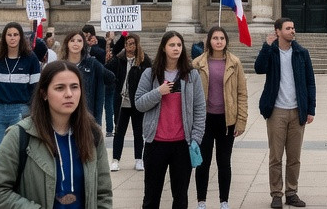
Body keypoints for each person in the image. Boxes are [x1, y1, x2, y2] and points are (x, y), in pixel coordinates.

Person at [0, 60, 114, 209]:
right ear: (44, 93)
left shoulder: (92, 134)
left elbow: (103, 194)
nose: (69, 94)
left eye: (74, 87)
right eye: (60, 88)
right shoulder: (20, 135)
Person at [134, 31, 206, 209]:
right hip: (155, 143)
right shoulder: (150, 74)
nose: (176, 48)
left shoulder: (191, 75)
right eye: (172, 45)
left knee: (180, 198)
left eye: (179, 45)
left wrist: (196, 138)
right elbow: (139, 104)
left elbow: (200, 108)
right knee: (151, 197)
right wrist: (158, 92)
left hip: (182, 144)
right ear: (164, 48)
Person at [254, 18, 316, 209]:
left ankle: (291, 192)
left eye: (293, 28)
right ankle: (276, 194)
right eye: (288, 28)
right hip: (277, 111)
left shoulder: (301, 53)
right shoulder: (271, 52)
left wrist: (311, 109)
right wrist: (266, 46)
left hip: (297, 111)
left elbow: (310, 82)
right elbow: (259, 68)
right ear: (278, 31)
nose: (292, 31)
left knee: (294, 157)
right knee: (276, 157)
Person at [0, 22, 43, 191]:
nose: (12, 38)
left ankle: (14, 198)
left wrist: (32, 113)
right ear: (4, 37)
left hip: (20, 112)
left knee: (18, 159)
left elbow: (35, 90)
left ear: (21, 37)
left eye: (16, 35)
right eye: (9, 35)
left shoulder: (31, 59)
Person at [194, 25, 248, 209]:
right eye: (215, 38)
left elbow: (242, 93)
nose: (218, 41)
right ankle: (201, 201)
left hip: (227, 121)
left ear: (226, 41)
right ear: (209, 40)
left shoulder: (235, 62)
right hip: (204, 120)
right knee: (203, 162)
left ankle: (224, 201)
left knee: (224, 162)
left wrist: (241, 121)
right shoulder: (197, 63)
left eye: (222, 38)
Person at [106, 32, 152, 172]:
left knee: (139, 132)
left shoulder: (144, 60)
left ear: (137, 45)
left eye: (132, 43)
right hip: (121, 101)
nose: (129, 46)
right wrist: (108, 59)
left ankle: (139, 159)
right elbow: (107, 72)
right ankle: (115, 160)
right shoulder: (119, 59)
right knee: (119, 132)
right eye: (127, 44)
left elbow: (150, 77)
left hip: (137, 101)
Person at [60, 30, 117, 124]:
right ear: (67, 43)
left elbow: (110, 77)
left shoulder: (92, 63)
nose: (76, 43)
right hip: (65, 115)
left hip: (87, 115)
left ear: (84, 44)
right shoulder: (59, 66)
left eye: (79, 41)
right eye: (72, 40)